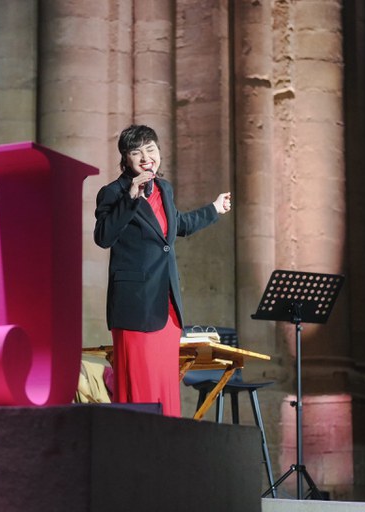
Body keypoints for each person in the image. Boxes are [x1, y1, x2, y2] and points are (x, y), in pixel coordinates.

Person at [94, 124, 231, 417]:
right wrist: (130, 197)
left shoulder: (164, 189)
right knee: (141, 388)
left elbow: (176, 226)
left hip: (166, 304)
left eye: (151, 149)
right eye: (136, 152)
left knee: (165, 385)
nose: (146, 157)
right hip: (135, 305)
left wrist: (214, 209)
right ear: (126, 159)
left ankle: (168, 451)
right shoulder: (113, 193)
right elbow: (103, 236)